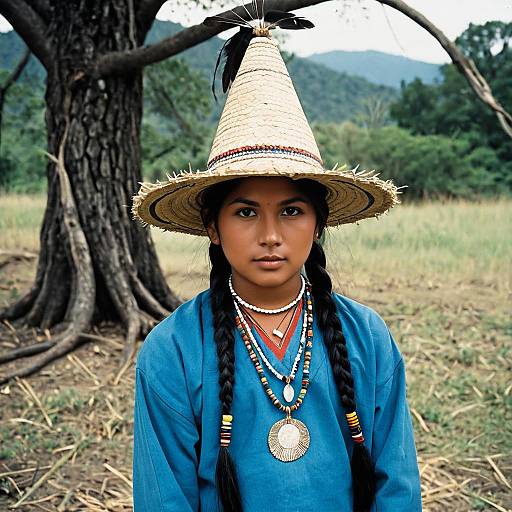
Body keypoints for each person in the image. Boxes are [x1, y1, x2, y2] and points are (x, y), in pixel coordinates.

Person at [130, 13, 421, 512]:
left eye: (291, 211)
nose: (270, 236)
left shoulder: (367, 337)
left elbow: (397, 488)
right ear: (213, 227)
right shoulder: (172, 351)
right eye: (246, 212)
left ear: (318, 222)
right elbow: (164, 499)